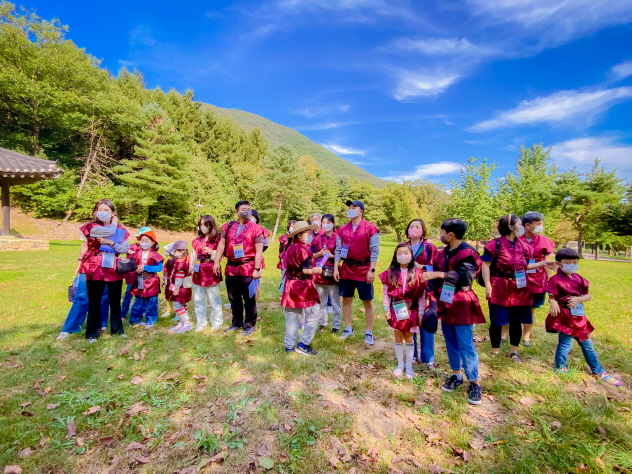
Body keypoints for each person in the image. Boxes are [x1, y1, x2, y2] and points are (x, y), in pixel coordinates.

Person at [422, 218, 486, 405]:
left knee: (465, 343)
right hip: (445, 301)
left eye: (442, 232)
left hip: (462, 302)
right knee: (450, 340)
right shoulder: (441, 254)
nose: (440, 235)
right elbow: (434, 279)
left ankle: (474, 381)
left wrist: (440, 274)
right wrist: (426, 292)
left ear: (450, 234)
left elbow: (466, 277)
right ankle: (456, 374)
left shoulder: (468, 253)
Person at [482, 215, 556, 362]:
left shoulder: (524, 246)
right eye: (520, 224)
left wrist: (542, 264)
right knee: (497, 320)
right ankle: (495, 349)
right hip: (499, 286)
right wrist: (488, 285)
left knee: (516, 321)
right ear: (511, 227)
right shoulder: (494, 244)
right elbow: (485, 265)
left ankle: (513, 351)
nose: (522, 227)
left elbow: (525, 265)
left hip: (520, 288)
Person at [545, 248, 622, 386]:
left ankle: (598, 370)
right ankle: (560, 367)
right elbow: (551, 295)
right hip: (565, 317)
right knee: (565, 343)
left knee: (588, 345)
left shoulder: (579, 279)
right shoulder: (555, 279)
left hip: (579, 318)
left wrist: (579, 299)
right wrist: (553, 302)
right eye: (568, 262)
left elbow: (588, 295)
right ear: (559, 263)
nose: (572, 265)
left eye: (575, 262)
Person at [78, 199, 130, 343]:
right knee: (94, 300)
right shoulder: (91, 227)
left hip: (113, 266)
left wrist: (111, 243)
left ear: (113, 213)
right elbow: (108, 231)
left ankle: (117, 330)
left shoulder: (122, 231)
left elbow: (125, 249)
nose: (102, 212)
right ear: (95, 211)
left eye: (106, 210)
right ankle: (93, 333)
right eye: (100, 209)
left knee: (115, 300)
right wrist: (114, 223)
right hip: (95, 266)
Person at [214, 200, 264, 336]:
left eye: (248, 209)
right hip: (231, 267)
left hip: (248, 266)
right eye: (243, 209)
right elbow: (221, 245)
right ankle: (236, 323)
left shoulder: (256, 229)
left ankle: (249, 325)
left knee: (249, 298)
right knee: (233, 298)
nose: (247, 211)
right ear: (236, 211)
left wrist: (257, 268)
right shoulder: (228, 227)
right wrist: (216, 262)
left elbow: (259, 251)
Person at [334, 200, 380, 345]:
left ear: (361, 211)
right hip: (347, 268)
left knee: (367, 301)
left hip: (364, 268)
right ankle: (348, 328)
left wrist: (372, 270)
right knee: (346, 299)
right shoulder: (341, 229)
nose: (351, 209)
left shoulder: (370, 228)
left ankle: (369, 332)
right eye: (349, 207)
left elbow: (374, 250)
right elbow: (338, 250)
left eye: (354, 207)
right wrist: (336, 267)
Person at [379, 243, 426, 379]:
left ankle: (409, 365)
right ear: (395, 256)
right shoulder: (390, 272)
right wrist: (386, 309)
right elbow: (386, 292)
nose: (403, 256)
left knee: (409, 337)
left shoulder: (418, 273)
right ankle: (400, 364)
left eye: (406, 253)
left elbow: (422, 294)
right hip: (396, 308)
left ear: (411, 255)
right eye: (399, 253)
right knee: (398, 337)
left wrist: (421, 311)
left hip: (413, 309)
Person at [512, 211, 556, 346]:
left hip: (538, 280)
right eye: (538, 224)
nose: (541, 227)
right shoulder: (516, 240)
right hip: (519, 279)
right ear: (528, 225)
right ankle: (506, 334)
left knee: (531, 309)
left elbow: (547, 262)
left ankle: (526, 337)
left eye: (541, 224)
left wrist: (550, 280)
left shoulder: (544, 241)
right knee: (514, 307)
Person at [281, 221, 323, 355]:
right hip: (303, 286)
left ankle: (289, 346)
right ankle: (303, 344)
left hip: (290, 285)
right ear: (299, 235)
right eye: (307, 233)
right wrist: (317, 270)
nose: (309, 235)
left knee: (292, 317)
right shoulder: (304, 249)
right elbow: (306, 270)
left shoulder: (289, 248)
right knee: (314, 314)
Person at [406, 218, 439, 369]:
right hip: (407, 289)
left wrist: (420, 266)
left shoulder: (429, 247)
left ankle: (428, 358)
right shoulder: (403, 246)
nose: (413, 229)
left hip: (426, 289)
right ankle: (412, 354)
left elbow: (436, 267)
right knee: (409, 321)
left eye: (417, 227)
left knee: (426, 320)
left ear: (423, 230)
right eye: (411, 226)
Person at [191, 215, 223, 331]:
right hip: (198, 271)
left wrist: (212, 252)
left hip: (211, 271)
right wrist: (191, 268)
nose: (202, 227)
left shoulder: (218, 240)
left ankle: (216, 322)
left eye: (205, 224)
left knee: (214, 299)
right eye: (200, 224)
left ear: (211, 225)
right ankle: (201, 323)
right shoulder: (196, 241)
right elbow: (193, 256)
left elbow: (222, 257)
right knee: (198, 300)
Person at [312, 214, 342, 333]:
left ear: (333, 223)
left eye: (328, 222)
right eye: (323, 222)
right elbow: (310, 255)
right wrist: (319, 253)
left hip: (333, 272)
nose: (326, 224)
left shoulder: (338, 238)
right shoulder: (317, 239)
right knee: (321, 301)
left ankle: (336, 325)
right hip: (319, 272)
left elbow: (343, 256)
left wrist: (332, 256)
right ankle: (323, 322)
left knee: (335, 301)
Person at [56, 275, 109, 340]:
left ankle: (101, 323)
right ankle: (70, 328)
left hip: (105, 267)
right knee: (82, 295)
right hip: (88, 267)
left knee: (103, 294)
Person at [129, 230, 164, 328]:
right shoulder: (136, 254)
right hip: (139, 280)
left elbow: (159, 268)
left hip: (151, 281)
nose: (144, 243)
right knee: (138, 301)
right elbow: (131, 265)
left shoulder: (155, 255)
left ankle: (150, 320)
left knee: (151, 302)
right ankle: (135, 319)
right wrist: (135, 269)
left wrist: (146, 268)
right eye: (142, 240)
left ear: (153, 242)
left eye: (147, 241)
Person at [165, 240, 194, 333]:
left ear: (182, 251)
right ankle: (182, 322)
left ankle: (186, 323)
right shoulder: (181, 260)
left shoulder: (181, 263)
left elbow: (179, 277)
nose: (174, 253)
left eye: (176, 251)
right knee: (182, 304)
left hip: (180, 288)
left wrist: (176, 288)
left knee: (177, 305)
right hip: (183, 288)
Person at [121, 227, 150, 319]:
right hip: (131, 275)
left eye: (146, 240)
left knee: (142, 293)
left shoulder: (150, 249)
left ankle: (143, 311)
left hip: (143, 275)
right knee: (128, 294)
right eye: (140, 239)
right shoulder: (132, 247)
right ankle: (123, 314)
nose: (142, 241)